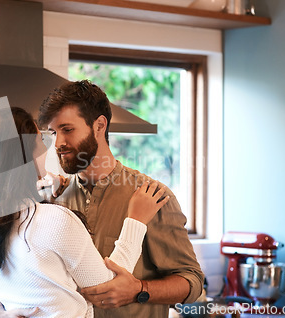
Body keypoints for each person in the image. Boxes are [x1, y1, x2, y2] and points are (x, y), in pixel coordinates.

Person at [0, 106, 170, 317]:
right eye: (41, 139)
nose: (49, 146)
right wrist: (136, 220)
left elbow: (32, 276)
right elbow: (107, 288)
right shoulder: (54, 222)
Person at [36, 80, 205, 318]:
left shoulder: (152, 196)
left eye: (67, 129)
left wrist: (139, 290)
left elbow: (192, 282)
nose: (59, 143)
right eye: (53, 133)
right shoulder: (56, 198)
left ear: (99, 125)